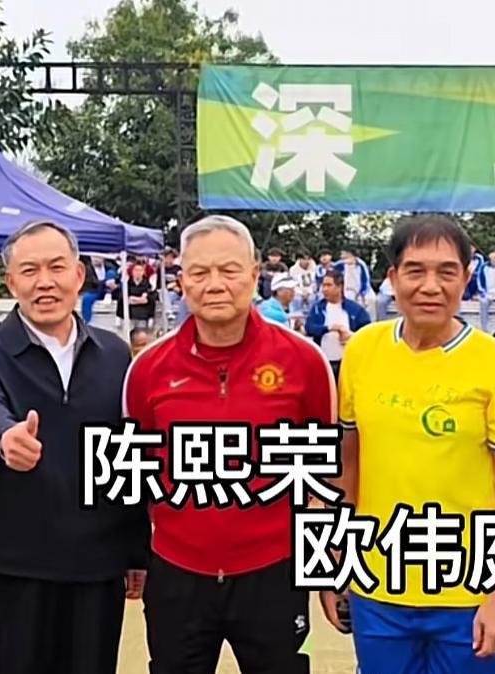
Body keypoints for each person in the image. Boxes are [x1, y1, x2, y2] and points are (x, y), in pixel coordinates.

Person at [125, 215, 335, 674]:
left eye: (229, 270)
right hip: (177, 571)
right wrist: (135, 554)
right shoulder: (148, 369)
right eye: (200, 272)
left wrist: (329, 570)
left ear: (255, 275)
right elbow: (136, 472)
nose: (215, 284)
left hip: (274, 570)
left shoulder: (305, 361)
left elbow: (325, 478)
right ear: (182, 281)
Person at [323, 214, 495, 674]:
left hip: (466, 591)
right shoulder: (362, 350)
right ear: (393, 278)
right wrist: (332, 566)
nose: (431, 286)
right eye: (416, 270)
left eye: (446, 272)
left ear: (466, 279)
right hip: (377, 586)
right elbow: (346, 467)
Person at [0, 220, 147, 674]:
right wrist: (5, 437)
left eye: (57, 267)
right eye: (30, 270)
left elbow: (125, 453)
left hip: (97, 565)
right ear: (11, 282)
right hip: (15, 565)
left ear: (78, 275)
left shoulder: (115, 353)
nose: (45, 281)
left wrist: (136, 548)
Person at [306, 269, 371, 382]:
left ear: (339, 287)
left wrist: (351, 336)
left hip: (348, 362)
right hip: (324, 361)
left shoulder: (355, 310)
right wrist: (328, 328)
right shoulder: (318, 309)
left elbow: (367, 333)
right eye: (323, 285)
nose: (324, 289)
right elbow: (309, 328)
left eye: (329, 285)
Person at [117, 262, 155, 329]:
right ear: (132, 272)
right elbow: (124, 299)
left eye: (140, 270)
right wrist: (140, 299)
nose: (138, 272)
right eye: (136, 270)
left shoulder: (148, 284)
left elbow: (148, 300)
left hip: (143, 316)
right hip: (129, 316)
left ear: (143, 272)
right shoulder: (127, 284)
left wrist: (133, 299)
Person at [81, 256, 118, 324]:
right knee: (87, 298)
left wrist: (116, 286)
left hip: (111, 291)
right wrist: (105, 283)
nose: (95, 259)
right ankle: (86, 322)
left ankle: (108, 293)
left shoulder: (109, 266)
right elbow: (92, 281)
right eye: (94, 257)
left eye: (98, 257)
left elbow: (117, 277)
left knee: (111, 273)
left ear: (103, 258)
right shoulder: (88, 268)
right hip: (96, 290)